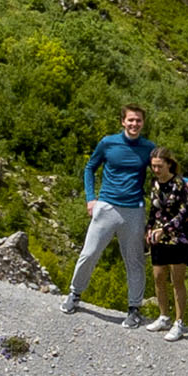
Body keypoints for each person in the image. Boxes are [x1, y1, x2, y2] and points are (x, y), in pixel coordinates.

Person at [64, 104, 156, 323]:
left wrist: (186, 182)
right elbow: (90, 167)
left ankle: (134, 308)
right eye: (131, 120)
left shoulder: (148, 147)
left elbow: (165, 169)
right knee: (89, 253)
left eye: (138, 120)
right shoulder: (108, 143)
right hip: (106, 206)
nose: (134, 124)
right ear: (123, 121)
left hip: (134, 210)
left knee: (134, 261)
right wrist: (90, 198)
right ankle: (75, 294)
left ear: (143, 123)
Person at [141, 128, 188, 339]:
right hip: (158, 237)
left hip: (179, 238)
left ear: (169, 164)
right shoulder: (154, 183)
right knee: (158, 278)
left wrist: (164, 230)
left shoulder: (180, 184)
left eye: (160, 166)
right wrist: (149, 229)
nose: (156, 169)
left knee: (177, 281)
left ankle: (179, 321)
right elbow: (153, 209)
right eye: (153, 166)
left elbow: (184, 213)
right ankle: (163, 315)